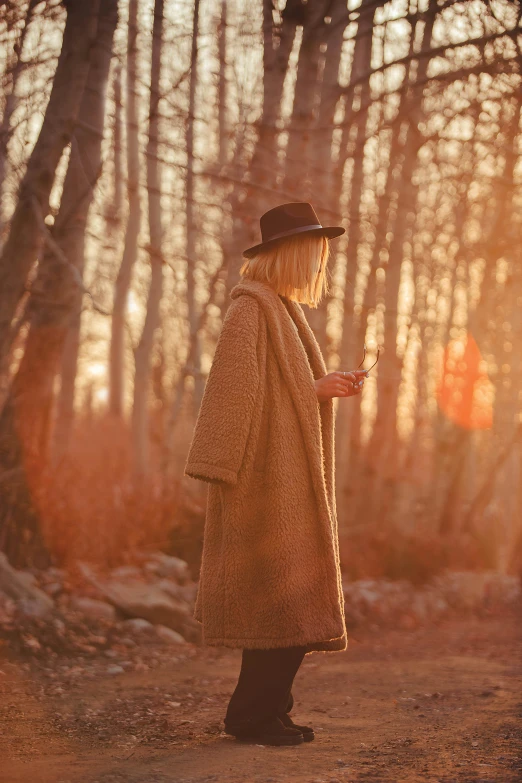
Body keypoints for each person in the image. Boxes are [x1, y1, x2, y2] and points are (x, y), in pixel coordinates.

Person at [184, 202, 367, 746]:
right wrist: (218, 465)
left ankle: (271, 710)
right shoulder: (251, 309)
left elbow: (283, 391)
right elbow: (234, 397)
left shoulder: (283, 311)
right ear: (288, 256)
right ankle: (251, 718)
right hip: (262, 484)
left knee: (290, 603)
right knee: (278, 603)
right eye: (314, 257)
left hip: (286, 481)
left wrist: (323, 386)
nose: (319, 269)